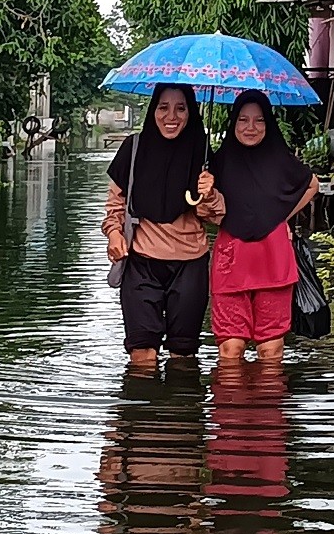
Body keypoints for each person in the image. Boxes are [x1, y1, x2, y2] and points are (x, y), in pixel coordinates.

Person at [103, 84, 217, 366]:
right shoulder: (134, 148)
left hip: (190, 264)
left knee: (183, 358)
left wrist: (210, 193)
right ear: (153, 110)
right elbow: (114, 206)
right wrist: (114, 234)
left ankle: (178, 409)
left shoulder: (201, 152)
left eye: (181, 108)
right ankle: (142, 409)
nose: (171, 116)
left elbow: (215, 216)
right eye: (163, 107)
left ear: (191, 113)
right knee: (142, 356)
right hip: (141, 262)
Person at [201, 90, 318, 362]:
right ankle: (231, 405)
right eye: (243, 120)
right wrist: (206, 191)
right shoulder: (217, 162)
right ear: (233, 123)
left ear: (268, 123)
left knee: (271, 350)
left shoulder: (281, 159)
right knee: (230, 350)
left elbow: (312, 185)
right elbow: (205, 212)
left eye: (259, 120)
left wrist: (281, 216)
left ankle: (267, 404)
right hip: (231, 260)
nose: (250, 128)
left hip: (274, 259)